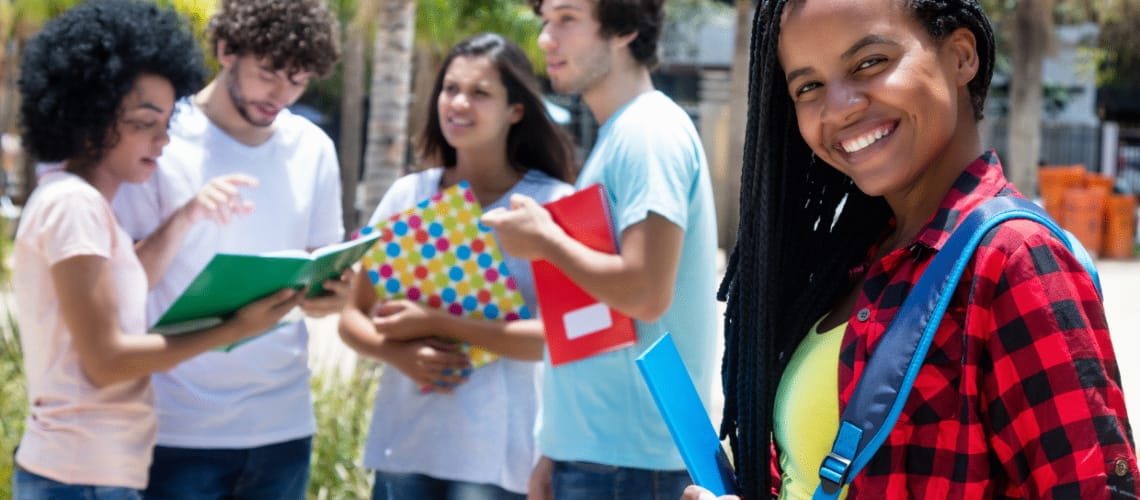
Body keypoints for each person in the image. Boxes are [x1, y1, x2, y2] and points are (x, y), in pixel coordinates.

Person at [693, 0, 1140, 499]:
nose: (838, 106)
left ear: (961, 56)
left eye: (870, 63)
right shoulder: (853, 260)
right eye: (809, 87)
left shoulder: (1013, 260)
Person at [11, 1, 304, 498]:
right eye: (146, 122)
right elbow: (106, 359)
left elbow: (129, 283)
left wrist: (188, 215)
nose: (163, 140)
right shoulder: (73, 206)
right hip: (80, 479)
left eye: (167, 122)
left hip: (92, 475)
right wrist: (234, 329)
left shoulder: (82, 204)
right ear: (91, 115)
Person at [480, 0, 719, 498]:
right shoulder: (624, 133)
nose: (547, 38)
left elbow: (645, 291)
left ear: (625, 28)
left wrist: (544, 239)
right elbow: (598, 316)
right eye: (546, 21)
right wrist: (555, 445)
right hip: (599, 458)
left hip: (630, 467)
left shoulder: (647, 133)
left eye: (567, 19)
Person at [110, 0, 343, 498]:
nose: (281, 94)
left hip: (282, 426)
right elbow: (121, 286)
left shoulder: (315, 148)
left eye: (299, 80)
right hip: (177, 427)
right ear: (226, 49)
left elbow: (328, 277)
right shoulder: (162, 138)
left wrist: (333, 295)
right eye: (268, 74)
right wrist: (185, 216)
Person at [338, 32, 575, 500]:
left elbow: (555, 339)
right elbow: (351, 318)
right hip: (403, 447)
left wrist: (436, 321)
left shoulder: (551, 205)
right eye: (450, 89)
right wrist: (396, 354)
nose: (459, 103)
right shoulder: (407, 196)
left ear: (517, 110)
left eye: (480, 92)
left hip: (496, 458)